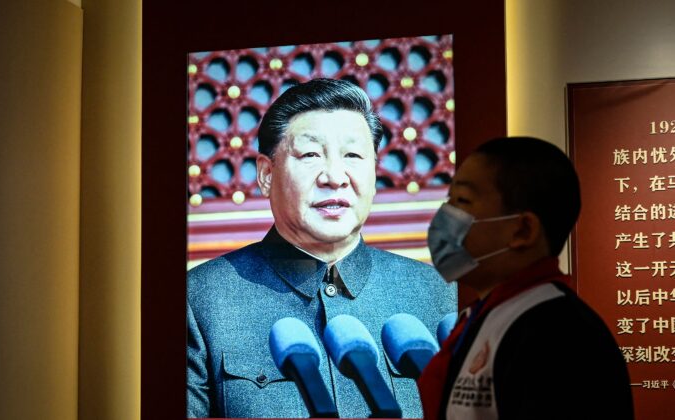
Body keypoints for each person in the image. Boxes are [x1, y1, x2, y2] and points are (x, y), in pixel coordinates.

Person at [187, 78, 457, 418]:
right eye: (311, 154)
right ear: (266, 174)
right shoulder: (200, 299)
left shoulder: (440, 293)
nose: (335, 176)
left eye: (353, 155)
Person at [419, 136, 634, 419]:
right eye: (449, 200)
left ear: (522, 230)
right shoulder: (492, 314)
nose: (445, 216)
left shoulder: (558, 335)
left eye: (462, 200)